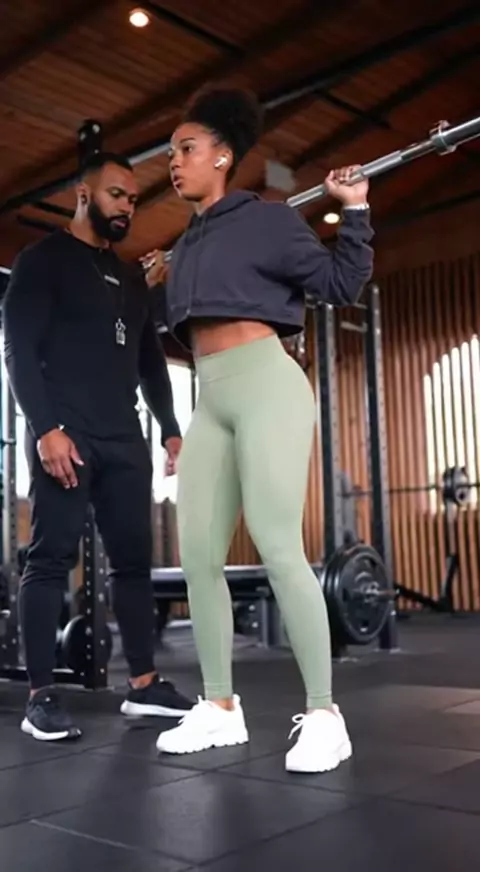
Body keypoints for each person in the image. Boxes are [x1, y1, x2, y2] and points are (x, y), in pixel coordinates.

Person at [147, 85, 374, 774]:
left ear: (223, 155)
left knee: (277, 543)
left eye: (186, 149)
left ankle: (327, 716)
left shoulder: (269, 221)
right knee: (198, 556)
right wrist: (160, 281)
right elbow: (180, 325)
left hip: (268, 386)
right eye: (171, 153)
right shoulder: (186, 245)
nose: (174, 162)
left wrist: (354, 209)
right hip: (210, 399)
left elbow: (340, 282)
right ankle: (220, 707)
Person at [3, 152, 193, 742]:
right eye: (116, 195)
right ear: (83, 195)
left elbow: (150, 362)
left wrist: (170, 429)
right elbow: (17, 350)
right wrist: (45, 429)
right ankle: (40, 697)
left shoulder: (132, 279)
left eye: (132, 200)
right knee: (49, 559)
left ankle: (143, 685)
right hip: (68, 434)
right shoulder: (43, 260)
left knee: (133, 563)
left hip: (124, 439)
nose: (126, 207)